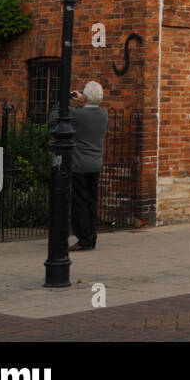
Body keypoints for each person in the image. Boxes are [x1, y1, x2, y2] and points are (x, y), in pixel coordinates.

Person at [47, 80, 108, 252]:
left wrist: (65, 99)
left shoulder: (77, 115)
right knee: (91, 202)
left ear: (85, 97)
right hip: (95, 164)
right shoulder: (104, 114)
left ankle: (84, 240)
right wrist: (83, 102)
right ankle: (91, 237)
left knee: (79, 202)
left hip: (78, 164)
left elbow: (53, 120)